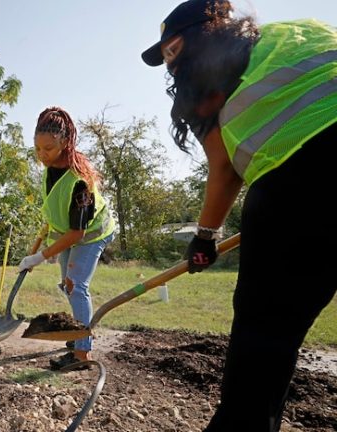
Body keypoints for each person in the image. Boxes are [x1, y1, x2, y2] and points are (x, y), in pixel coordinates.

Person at [142, 1, 337, 430]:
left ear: (206, 31)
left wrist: (206, 237)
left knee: (263, 339)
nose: (170, 66)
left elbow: (225, 169)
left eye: (173, 51)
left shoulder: (208, 78)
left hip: (298, 183)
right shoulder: (302, 30)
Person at [18, 107, 116, 370]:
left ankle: (82, 355)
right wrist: (46, 230)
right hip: (68, 233)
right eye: (37, 149)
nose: (41, 155)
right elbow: (56, 204)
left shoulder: (80, 181)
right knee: (67, 285)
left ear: (65, 142)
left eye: (48, 149)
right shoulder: (51, 166)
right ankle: (77, 334)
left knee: (75, 286)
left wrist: (40, 256)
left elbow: (78, 233)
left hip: (92, 234)